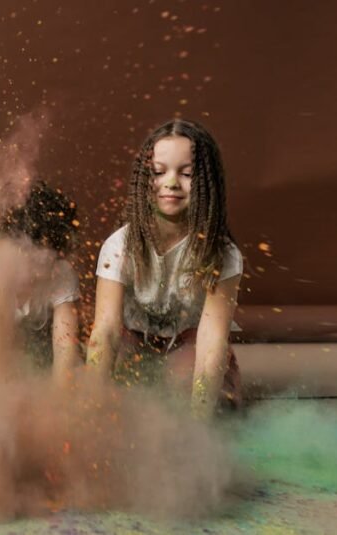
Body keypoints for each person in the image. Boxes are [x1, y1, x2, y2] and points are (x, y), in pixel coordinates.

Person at [87, 119, 243, 418]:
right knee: (120, 399)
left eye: (186, 174)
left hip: (189, 343)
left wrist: (199, 423)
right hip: (132, 340)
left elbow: (211, 341)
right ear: (144, 179)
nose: (171, 182)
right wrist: (90, 411)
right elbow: (105, 331)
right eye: (159, 172)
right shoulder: (119, 246)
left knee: (199, 400)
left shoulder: (222, 254)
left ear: (207, 184)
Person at [0, 180, 81, 381]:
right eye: (29, 248)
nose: (41, 257)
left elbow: (65, 349)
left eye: (49, 248)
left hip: (38, 360)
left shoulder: (61, 274)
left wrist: (57, 406)